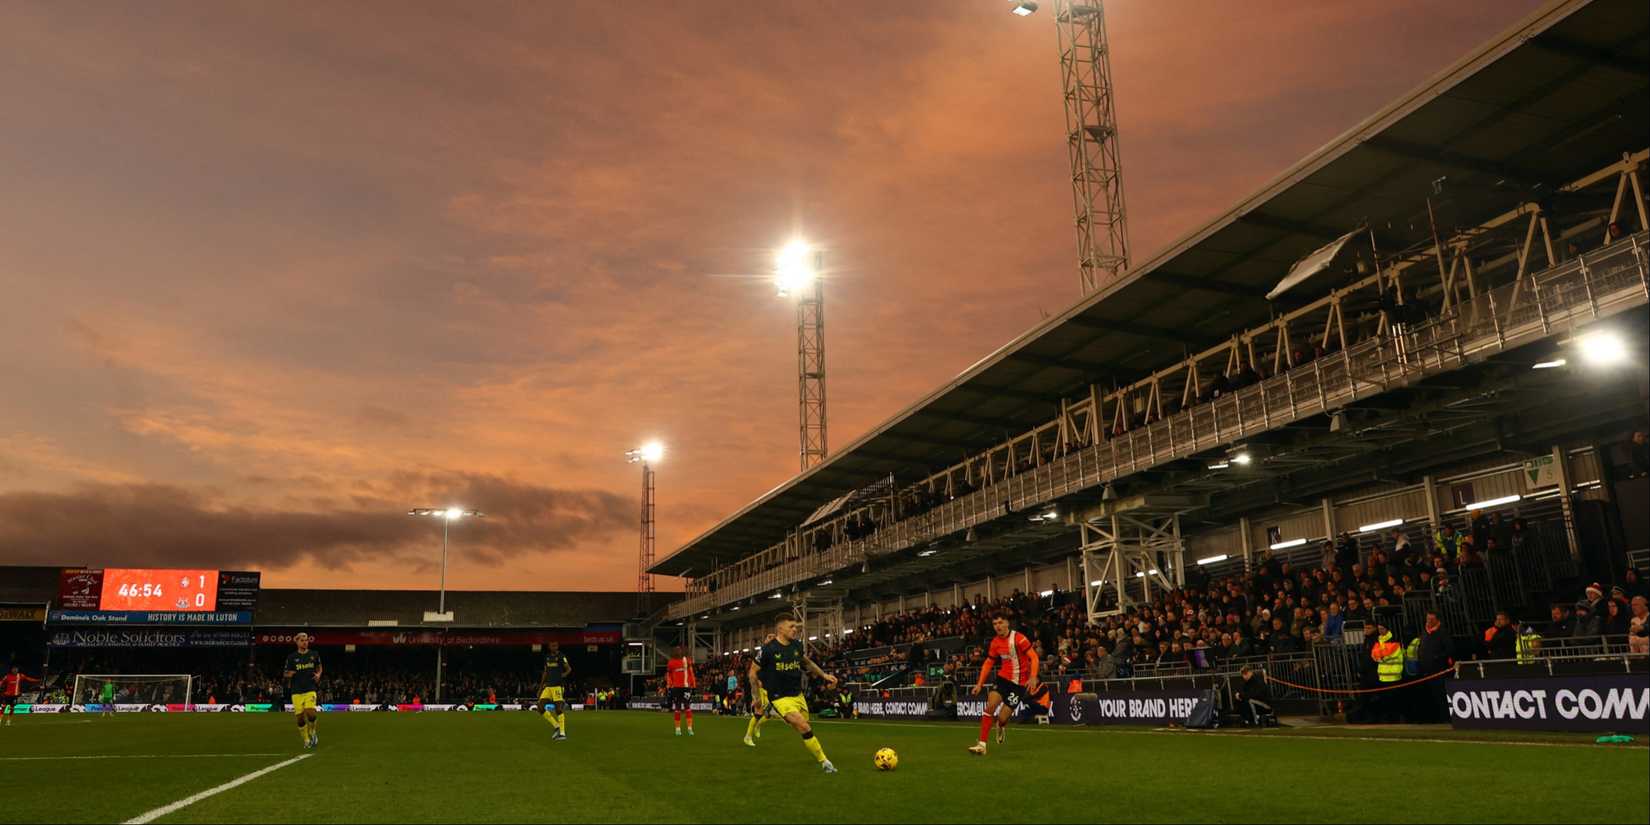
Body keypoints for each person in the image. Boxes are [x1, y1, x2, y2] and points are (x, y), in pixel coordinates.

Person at [747, 616, 838, 774]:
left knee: (802, 726)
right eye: (791, 626)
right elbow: (752, 673)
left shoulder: (796, 645)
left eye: (796, 626)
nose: (795, 629)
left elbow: (807, 663)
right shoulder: (768, 649)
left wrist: (824, 675)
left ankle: (777, 716)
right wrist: (755, 697)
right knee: (804, 726)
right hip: (779, 697)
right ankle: (825, 762)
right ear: (780, 629)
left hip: (797, 695)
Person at [968, 613, 1040, 756]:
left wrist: (1033, 677)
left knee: (1002, 718)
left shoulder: (1019, 639)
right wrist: (979, 684)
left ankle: (1000, 726)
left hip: (1019, 685)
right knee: (990, 706)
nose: (998, 626)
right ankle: (982, 745)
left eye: (1000, 622)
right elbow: (989, 663)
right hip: (1003, 679)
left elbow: (1034, 657)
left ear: (1007, 623)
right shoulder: (995, 642)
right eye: (995, 624)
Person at [282, 632, 323, 749]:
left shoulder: (314, 654)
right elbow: (285, 673)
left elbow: (319, 666)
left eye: (306, 640)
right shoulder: (291, 657)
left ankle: (313, 731)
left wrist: (319, 674)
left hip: (310, 688)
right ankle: (306, 740)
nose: (305, 642)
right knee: (300, 718)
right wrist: (288, 674)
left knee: (310, 712)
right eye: (302, 640)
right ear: (297, 642)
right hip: (296, 690)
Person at [537, 642, 572, 741]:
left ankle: (562, 734)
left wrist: (562, 676)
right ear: (549, 647)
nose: (554, 647)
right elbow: (545, 672)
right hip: (548, 686)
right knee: (540, 707)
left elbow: (569, 669)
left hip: (557, 686)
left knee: (558, 709)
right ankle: (556, 726)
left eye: (556, 645)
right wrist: (540, 688)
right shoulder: (547, 657)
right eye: (552, 646)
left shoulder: (561, 656)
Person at [664, 645, 697, 736]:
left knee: (687, 706)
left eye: (679, 650)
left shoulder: (687, 660)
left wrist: (694, 685)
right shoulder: (671, 663)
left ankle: (690, 729)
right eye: (677, 650)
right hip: (676, 688)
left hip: (686, 687)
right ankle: (678, 729)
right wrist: (669, 685)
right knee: (677, 707)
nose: (678, 652)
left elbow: (691, 673)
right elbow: (669, 675)